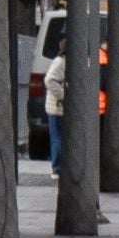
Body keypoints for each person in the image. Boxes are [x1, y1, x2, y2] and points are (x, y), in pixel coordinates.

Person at [44, 47, 67, 177]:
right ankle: (57, 167)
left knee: (59, 138)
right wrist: (63, 96)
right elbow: (49, 80)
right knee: (57, 138)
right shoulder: (60, 61)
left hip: (60, 107)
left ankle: (59, 166)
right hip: (57, 107)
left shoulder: (65, 61)